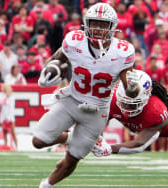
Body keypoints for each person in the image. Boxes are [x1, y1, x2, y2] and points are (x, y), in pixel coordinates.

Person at [32, 3, 137, 188]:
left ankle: (46, 185)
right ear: (86, 23)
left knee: (72, 159)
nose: (97, 28)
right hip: (72, 100)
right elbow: (57, 59)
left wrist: (133, 88)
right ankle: (71, 137)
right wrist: (50, 69)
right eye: (94, 23)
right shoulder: (74, 41)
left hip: (97, 110)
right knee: (38, 141)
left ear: (112, 27)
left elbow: (129, 85)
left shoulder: (122, 51)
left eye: (103, 24)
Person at [0, 84, 17, 149]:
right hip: (3, 117)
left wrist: (9, 118)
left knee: (13, 132)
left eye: (2, 88)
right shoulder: (1, 96)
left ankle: (16, 146)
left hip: (10, 117)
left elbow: (12, 108)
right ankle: (5, 145)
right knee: (4, 132)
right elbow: (0, 107)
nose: (1, 89)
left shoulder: (11, 97)